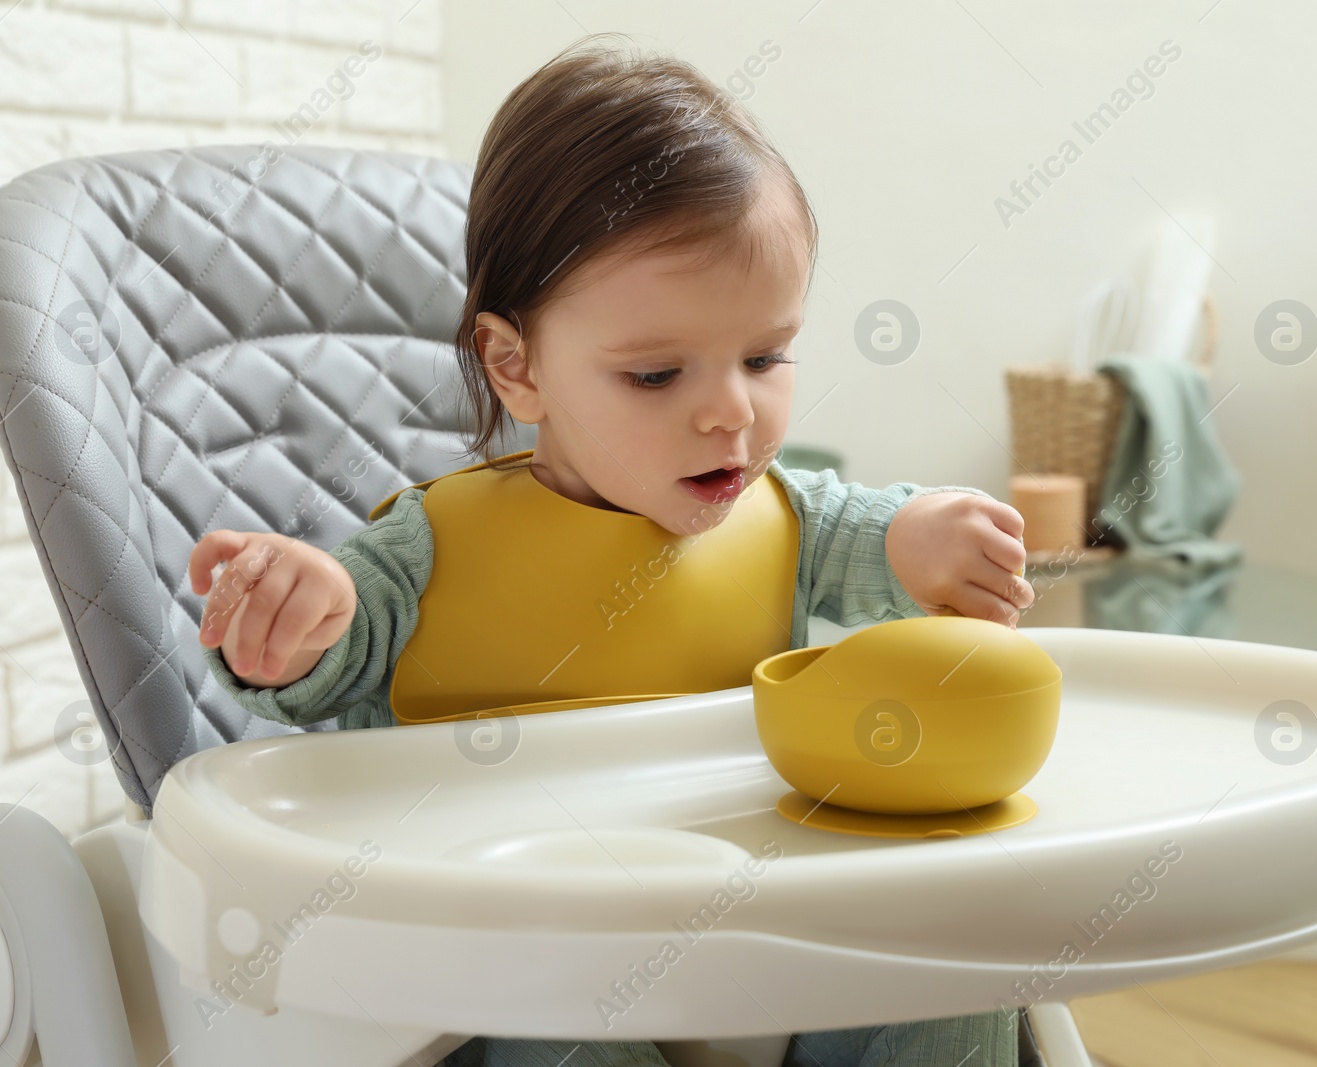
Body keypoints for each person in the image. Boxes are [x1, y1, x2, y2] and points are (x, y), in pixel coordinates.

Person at [189, 32, 1032, 1067]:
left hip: (753, 915)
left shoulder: (783, 515)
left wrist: (925, 531)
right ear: (517, 367)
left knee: (960, 962)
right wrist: (303, 625)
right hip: (513, 946)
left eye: (764, 356)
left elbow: (872, 533)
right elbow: (330, 672)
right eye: (654, 375)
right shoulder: (429, 549)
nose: (730, 413)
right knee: (561, 1026)